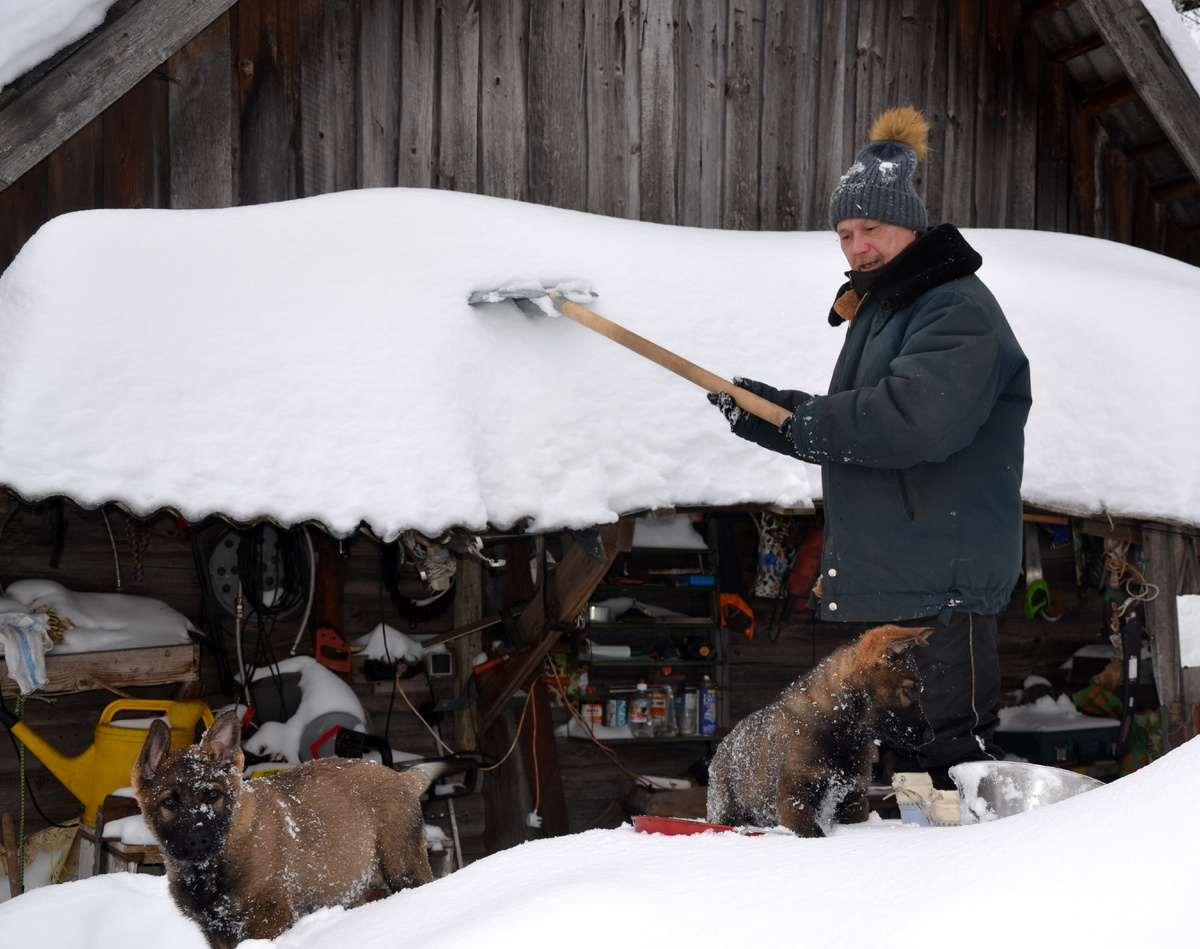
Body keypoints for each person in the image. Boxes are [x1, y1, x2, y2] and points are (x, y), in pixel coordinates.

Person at [710, 106, 1031, 791]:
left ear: (910, 224)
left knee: (954, 766)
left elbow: (911, 421)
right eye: (846, 234)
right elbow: (857, 424)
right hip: (903, 582)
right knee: (908, 777)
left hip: (944, 589)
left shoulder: (954, 309)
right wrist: (769, 413)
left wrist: (801, 422)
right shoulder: (887, 310)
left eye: (871, 229)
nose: (857, 248)